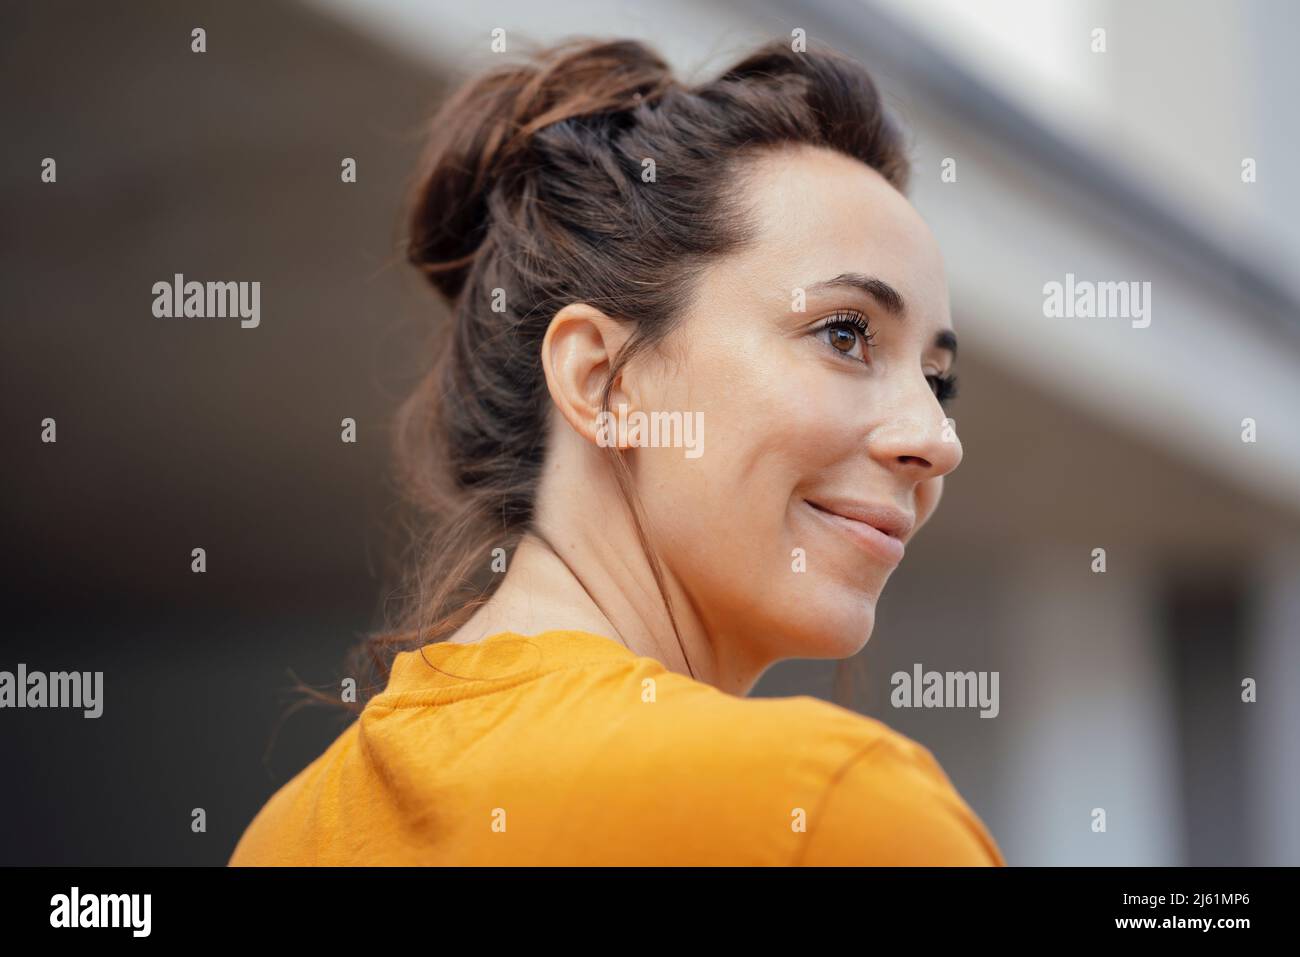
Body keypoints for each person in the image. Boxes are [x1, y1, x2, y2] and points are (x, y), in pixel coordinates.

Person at [229, 35, 1004, 866]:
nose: (936, 440)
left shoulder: (283, 834)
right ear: (603, 379)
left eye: (937, 381)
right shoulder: (831, 811)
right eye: (845, 333)